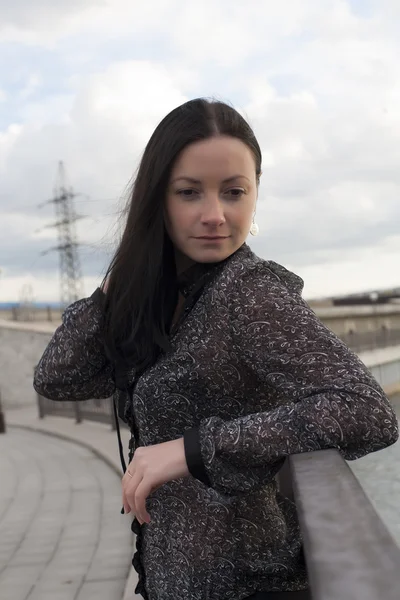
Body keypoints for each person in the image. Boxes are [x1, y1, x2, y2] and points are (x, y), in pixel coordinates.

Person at [33, 98, 399, 600]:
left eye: (234, 192)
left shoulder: (247, 292)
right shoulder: (167, 297)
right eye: (188, 193)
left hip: (246, 584)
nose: (214, 215)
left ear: (255, 194)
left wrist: (194, 450)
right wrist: (115, 288)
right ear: (156, 200)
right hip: (175, 579)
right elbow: (58, 379)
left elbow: (367, 410)